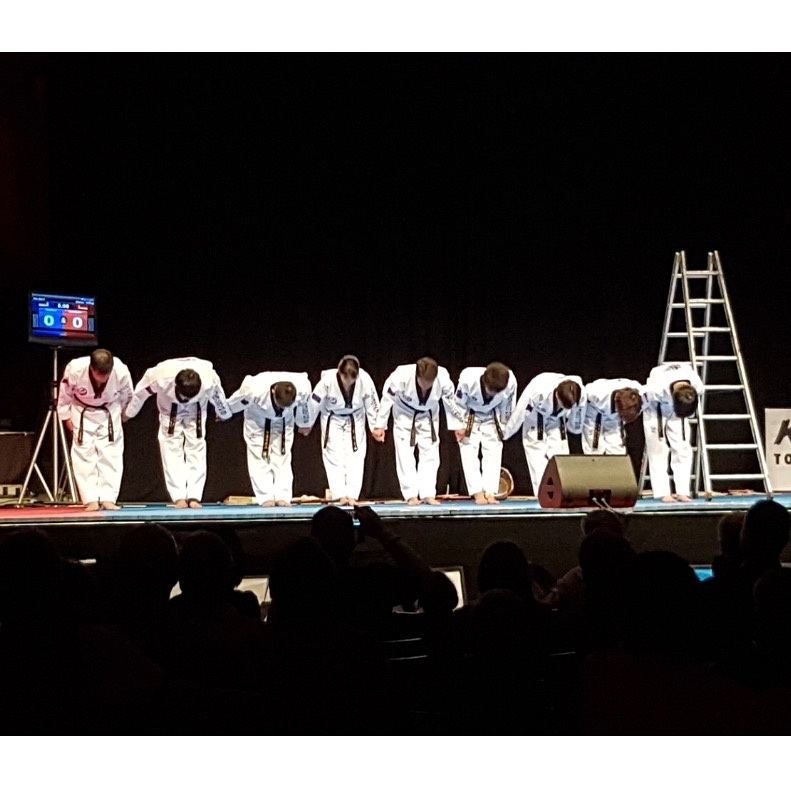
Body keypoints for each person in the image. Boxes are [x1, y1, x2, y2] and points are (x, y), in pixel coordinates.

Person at [124, 356, 232, 508]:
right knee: (171, 450)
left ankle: (194, 496)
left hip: (196, 412)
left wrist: (223, 413)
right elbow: (141, 393)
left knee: (196, 449)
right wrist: (129, 412)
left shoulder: (209, 379)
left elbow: (218, 396)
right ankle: (179, 496)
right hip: (170, 411)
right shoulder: (160, 376)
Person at [372, 356, 467, 505]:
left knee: (431, 453)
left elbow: (450, 402)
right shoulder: (401, 376)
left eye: (430, 383)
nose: (427, 387)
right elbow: (387, 399)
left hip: (428, 414)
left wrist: (458, 425)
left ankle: (427, 493)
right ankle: (411, 495)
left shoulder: (443, 378)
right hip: (404, 412)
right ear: (417, 375)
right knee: (404, 453)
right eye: (424, 382)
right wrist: (380, 425)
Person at [57, 348, 133, 511]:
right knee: (84, 455)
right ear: (91, 368)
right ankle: (90, 499)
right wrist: (66, 416)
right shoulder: (75, 369)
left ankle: (108, 498)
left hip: (110, 410)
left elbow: (127, 394)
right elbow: (64, 394)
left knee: (111, 454)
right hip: (82, 410)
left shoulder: (121, 370)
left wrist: (124, 413)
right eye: (100, 374)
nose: (104, 378)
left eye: (107, 374)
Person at [227, 371, 312, 507]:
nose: (281, 407)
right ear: (273, 391)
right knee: (259, 456)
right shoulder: (254, 388)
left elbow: (305, 404)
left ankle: (283, 496)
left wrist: (305, 423)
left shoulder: (303, 387)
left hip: (284, 420)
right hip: (257, 419)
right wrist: (225, 412)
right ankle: (265, 497)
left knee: (282, 456)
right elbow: (236, 401)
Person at [303, 355, 379, 505]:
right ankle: (339, 495)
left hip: (355, 417)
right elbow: (314, 402)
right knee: (333, 456)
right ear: (340, 373)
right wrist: (307, 423)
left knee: (357, 456)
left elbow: (372, 402)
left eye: (352, 380)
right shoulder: (327, 381)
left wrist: (376, 426)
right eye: (346, 380)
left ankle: (352, 495)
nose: (349, 384)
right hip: (333, 418)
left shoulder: (364, 379)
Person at [445, 362, 517, 505]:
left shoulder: (510, 382)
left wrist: (504, 426)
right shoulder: (468, 379)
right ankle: (477, 492)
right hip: (470, 414)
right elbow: (457, 404)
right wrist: (458, 425)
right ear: (484, 381)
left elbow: (508, 407)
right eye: (491, 390)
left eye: (497, 392)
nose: (494, 394)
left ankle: (490, 492)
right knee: (468, 450)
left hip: (492, 414)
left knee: (494, 450)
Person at [504, 372, 585, 495]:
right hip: (536, 416)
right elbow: (520, 412)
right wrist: (505, 433)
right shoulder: (538, 390)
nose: (565, 408)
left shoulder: (580, 394)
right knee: (536, 456)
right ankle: (542, 495)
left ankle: (562, 494)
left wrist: (574, 429)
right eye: (563, 405)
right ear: (557, 395)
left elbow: (578, 415)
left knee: (561, 454)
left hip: (558, 419)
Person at [642, 361, 704, 502]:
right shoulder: (655, 389)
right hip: (655, 410)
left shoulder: (697, 386)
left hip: (679, 408)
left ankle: (683, 491)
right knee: (658, 450)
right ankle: (663, 492)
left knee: (683, 449)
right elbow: (642, 398)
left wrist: (683, 411)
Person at [581, 378, 643, 455]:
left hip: (613, 415)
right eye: (623, 416)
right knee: (595, 450)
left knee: (617, 449)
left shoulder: (640, 392)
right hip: (595, 412)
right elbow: (582, 398)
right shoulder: (595, 393)